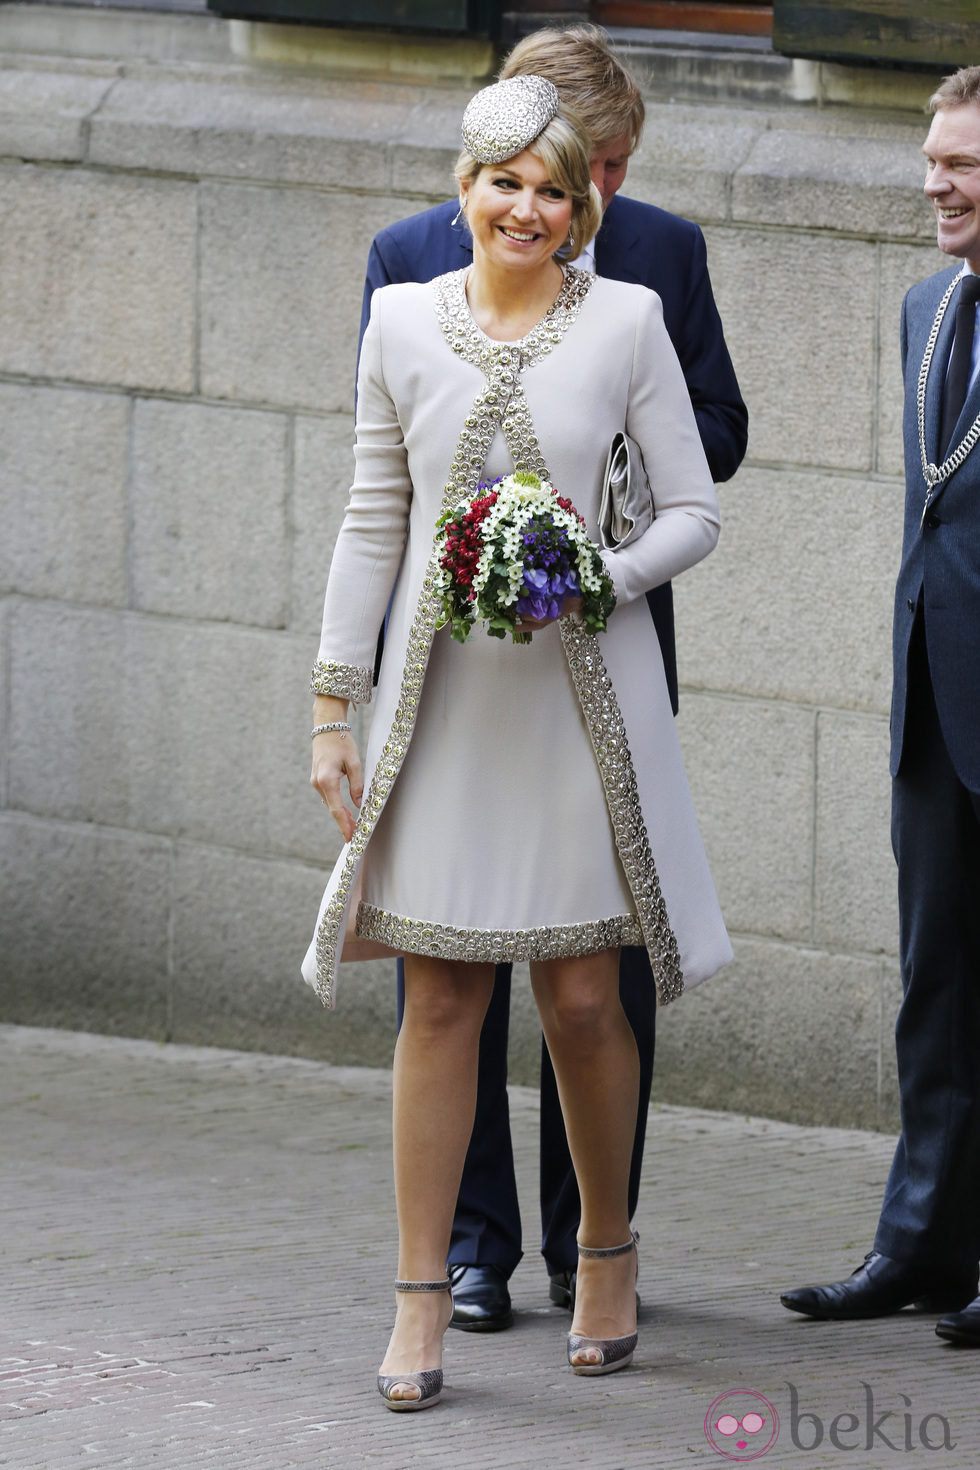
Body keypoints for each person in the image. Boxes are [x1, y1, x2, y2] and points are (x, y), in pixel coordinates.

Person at [303, 75, 730, 1409]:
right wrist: (332, 702)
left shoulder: (634, 319)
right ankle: (422, 1292)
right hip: (443, 712)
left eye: (555, 189)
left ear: (586, 203)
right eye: (504, 182)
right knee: (439, 999)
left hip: (581, 707)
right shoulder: (395, 319)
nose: (527, 208)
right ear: (466, 184)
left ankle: (606, 1248)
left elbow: (693, 507)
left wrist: (599, 572)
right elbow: (374, 518)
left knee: (587, 1000)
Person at [780, 66, 980, 1346]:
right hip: (934, 701)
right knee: (934, 989)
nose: (930, 179)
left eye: (958, 160)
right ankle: (916, 1247)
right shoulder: (924, 306)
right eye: (928, 155)